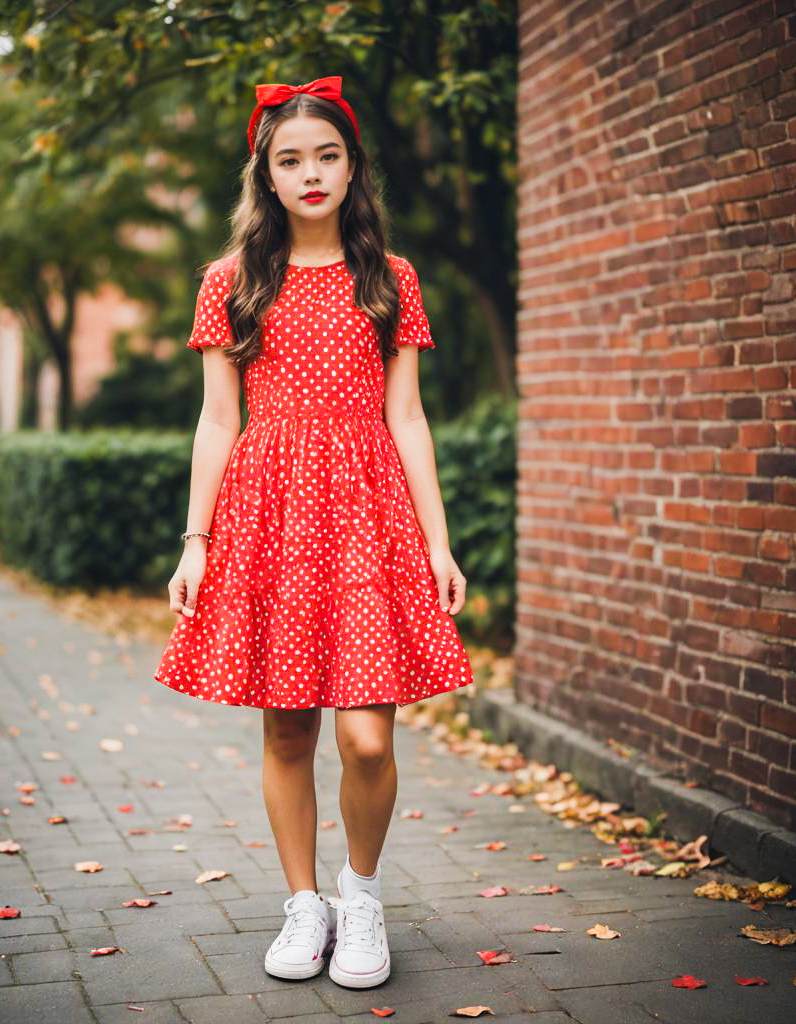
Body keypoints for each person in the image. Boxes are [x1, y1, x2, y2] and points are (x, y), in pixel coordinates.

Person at [153, 74, 474, 989]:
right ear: (266, 173)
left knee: (368, 736)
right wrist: (195, 540)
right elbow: (218, 421)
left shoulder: (390, 278)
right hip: (270, 517)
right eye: (290, 160)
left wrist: (438, 544)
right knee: (289, 730)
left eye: (326, 155)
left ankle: (359, 896)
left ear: (352, 164)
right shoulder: (233, 281)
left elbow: (408, 418)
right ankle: (304, 905)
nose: (311, 173)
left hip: (370, 518)